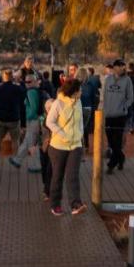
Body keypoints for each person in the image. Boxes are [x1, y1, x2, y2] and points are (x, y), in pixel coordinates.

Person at [46, 76, 88, 216]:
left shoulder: (78, 102)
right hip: (58, 146)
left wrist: (80, 135)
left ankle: (76, 204)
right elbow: (49, 122)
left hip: (75, 145)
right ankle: (55, 204)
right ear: (73, 91)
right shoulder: (58, 103)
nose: (81, 92)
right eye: (79, 90)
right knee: (57, 176)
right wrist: (63, 135)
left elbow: (80, 120)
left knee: (73, 175)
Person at [100, 59, 134, 174]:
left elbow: (130, 98)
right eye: (121, 67)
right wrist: (104, 109)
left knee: (117, 140)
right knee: (111, 140)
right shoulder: (108, 79)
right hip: (109, 115)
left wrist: (124, 107)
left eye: (124, 67)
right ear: (115, 67)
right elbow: (104, 95)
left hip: (120, 116)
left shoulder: (127, 80)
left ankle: (111, 165)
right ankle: (121, 158)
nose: (123, 69)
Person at [10, 75, 46, 172]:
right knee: (28, 140)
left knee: (32, 143)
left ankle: (36, 165)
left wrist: (28, 117)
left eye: (29, 82)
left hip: (33, 120)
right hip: (36, 119)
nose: (27, 83)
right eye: (26, 82)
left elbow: (34, 108)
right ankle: (17, 160)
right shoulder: (37, 91)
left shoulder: (31, 92)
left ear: (34, 81)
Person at [0, 68, 25, 161]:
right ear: (12, 77)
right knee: (15, 140)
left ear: (3, 77)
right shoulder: (16, 88)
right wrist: (19, 82)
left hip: (1, 117)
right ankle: (15, 158)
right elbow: (23, 95)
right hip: (14, 118)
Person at [79, 66, 101, 149]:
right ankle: (86, 145)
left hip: (79, 107)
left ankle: (80, 145)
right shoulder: (90, 85)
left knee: (78, 127)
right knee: (85, 127)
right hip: (88, 107)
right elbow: (94, 97)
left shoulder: (76, 84)